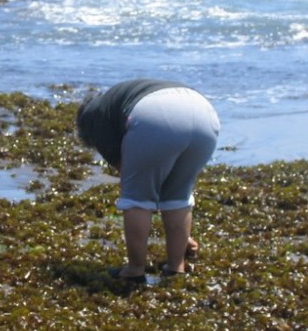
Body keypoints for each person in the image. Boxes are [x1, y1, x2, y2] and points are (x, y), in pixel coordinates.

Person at [76, 79, 220, 280]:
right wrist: (181, 236)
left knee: (136, 198)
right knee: (178, 196)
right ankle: (176, 266)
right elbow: (161, 184)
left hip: (155, 115)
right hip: (204, 112)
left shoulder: (95, 117)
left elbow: (130, 176)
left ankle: (135, 270)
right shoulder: (119, 98)